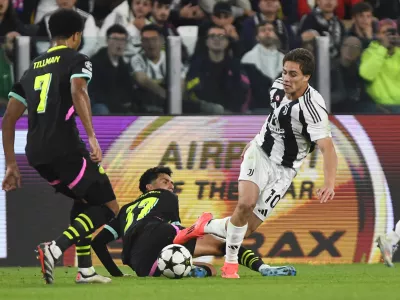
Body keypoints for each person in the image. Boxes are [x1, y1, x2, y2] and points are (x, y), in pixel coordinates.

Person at [175, 48, 338, 278]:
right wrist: (254, 141)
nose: (287, 79)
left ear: (307, 77)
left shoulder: (313, 108)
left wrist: (329, 183)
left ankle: (205, 225)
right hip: (260, 154)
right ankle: (230, 267)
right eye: (285, 72)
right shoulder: (277, 88)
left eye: (293, 74)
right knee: (245, 204)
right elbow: (273, 119)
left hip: (285, 170)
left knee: (246, 227)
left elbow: (327, 148)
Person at [1, 9, 120, 284]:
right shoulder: (77, 59)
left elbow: (8, 119)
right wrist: (91, 136)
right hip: (65, 146)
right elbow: (79, 91)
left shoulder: (32, 67)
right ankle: (53, 249)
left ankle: (85, 270)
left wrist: (10, 164)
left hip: (36, 154)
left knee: (83, 200)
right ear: (77, 35)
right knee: (109, 208)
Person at [91, 166, 297, 277]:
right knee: (222, 245)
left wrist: (116, 275)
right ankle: (263, 268)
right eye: (165, 181)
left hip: (142, 267)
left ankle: (190, 270)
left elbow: (97, 243)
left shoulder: (125, 211)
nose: (171, 186)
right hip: (158, 234)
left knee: (209, 269)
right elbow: (176, 233)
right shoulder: (166, 197)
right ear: (148, 187)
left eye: (172, 183)